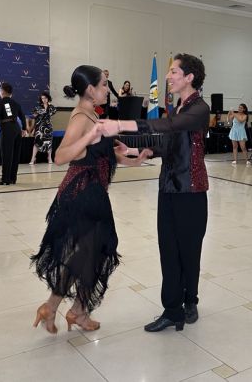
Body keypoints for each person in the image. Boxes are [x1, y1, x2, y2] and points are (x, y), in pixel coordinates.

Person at [31, 65, 148, 334]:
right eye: (104, 84)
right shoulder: (80, 118)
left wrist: (133, 160)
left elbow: (101, 155)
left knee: (88, 253)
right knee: (95, 251)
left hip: (92, 192)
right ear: (90, 89)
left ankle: (59, 308)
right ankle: (76, 311)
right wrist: (89, 136)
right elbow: (61, 157)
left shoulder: (93, 115)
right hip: (82, 193)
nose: (108, 89)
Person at [100, 53, 210, 332]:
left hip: (191, 191)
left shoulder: (199, 108)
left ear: (189, 77)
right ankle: (172, 309)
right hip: (169, 187)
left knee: (189, 251)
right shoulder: (177, 108)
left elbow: (171, 127)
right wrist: (135, 149)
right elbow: (167, 143)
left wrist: (121, 125)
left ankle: (190, 300)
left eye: (174, 72)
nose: (168, 76)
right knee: (168, 250)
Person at [0, 82, 27, 185]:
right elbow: (22, 117)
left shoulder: (0, 102)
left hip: (7, 130)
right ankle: (13, 178)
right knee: (15, 155)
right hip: (17, 129)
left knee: (7, 154)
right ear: (11, 93)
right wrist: (24, 129)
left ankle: (5, 179)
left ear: (2, 91)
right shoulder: (15, 103)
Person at [29, 92, 57, 165]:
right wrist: (34, 129)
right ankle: (33, 158)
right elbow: (34, 116)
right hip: (39, 127)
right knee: (36, 143)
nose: (44, 99)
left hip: (48, 127)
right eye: (42, 98)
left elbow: (53, 112)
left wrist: (49, 106)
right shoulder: (37, 107)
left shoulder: (51, 107)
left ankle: (49, 158)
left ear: (48, 98)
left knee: (49, 143)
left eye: (45, 98)